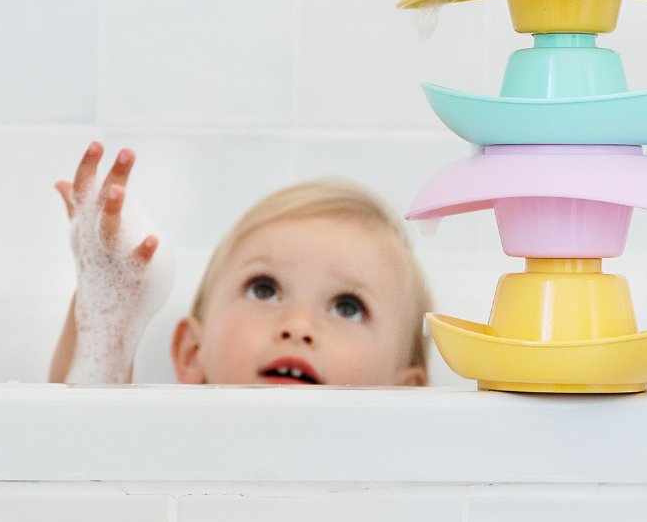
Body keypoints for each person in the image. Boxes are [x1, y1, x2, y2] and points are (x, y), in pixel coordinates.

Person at [49, 143, 431, 388]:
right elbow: (78, 446)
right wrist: (107, 323)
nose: (298, 326)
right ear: (193, 354)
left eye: (348, 307)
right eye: (263, 289)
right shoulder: (171, 458)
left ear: (406, 393)